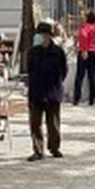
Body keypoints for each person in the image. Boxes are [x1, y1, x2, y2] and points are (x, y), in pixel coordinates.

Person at [26, 23, 68, 161]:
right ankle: (38, 150)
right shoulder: (32, 52)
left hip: (53, 91)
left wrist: (56, 83)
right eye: (39, 34)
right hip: (36, 91)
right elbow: (29, 69)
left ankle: (54, 147)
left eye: (43, 34)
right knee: (35, 123)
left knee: (53, 123)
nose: (41, 37)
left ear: (49, 36)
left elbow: (64, 71)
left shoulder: (58, 52)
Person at [74, 11, 95, 106]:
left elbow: (84, 36)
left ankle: (76, 98)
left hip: (84, 51)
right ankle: (92, 98)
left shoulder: (84, 27)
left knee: (80, 76)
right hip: (93, 51)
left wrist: (84, 50)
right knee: (92, 76)